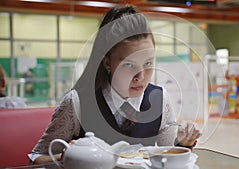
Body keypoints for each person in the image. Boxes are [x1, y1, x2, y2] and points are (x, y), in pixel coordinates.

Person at [29, 5, 201, 164]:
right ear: (107, 63)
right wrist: (65, 157)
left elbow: (168, 154)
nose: (140, 76)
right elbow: (35, 158)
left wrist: (183, 142)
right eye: (128, 65)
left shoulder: (159, 99)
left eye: (148, 63)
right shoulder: (78, 102)